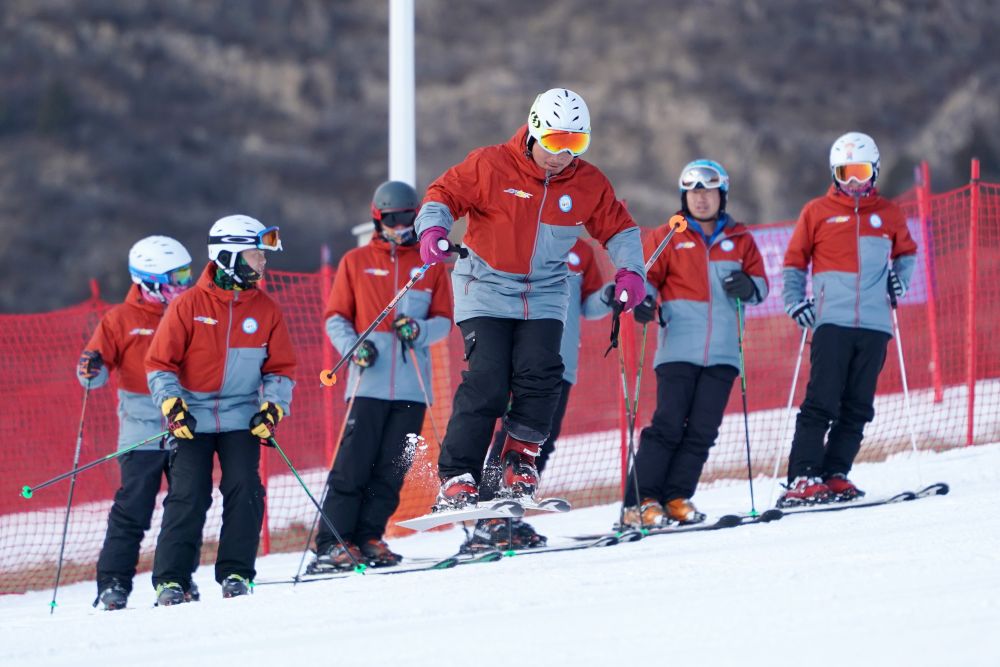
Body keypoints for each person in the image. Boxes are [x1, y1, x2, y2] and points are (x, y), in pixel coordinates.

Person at [414, 87, 646, 511]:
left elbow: (619, 229)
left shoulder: (588, 183)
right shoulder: (490, 164)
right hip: (485, 286)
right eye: (555, 141)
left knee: (541, 373)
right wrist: (432, 230)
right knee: (488, 378)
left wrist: (631, 270)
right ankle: (457, 476)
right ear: (535, 130)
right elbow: (442, 195)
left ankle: (518, 462)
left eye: (575, 144)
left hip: (545, 292)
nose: (562, 155)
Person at [145, 215, 295, 604]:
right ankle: (171, 581)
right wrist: (171, 404)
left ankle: (236, 573)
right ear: (228, 256)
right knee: (189, 494)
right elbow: (159, 363)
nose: (262, 261)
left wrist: (272, 408)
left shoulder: (266, 309)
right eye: (255, 254)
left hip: (241, 416)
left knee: (246, 488)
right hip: (191, 418)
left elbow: (280, 369)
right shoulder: (187, 305)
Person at [308, 181, 453, 572]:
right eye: (391, 219)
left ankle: (370, 536)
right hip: (367, 384)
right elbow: (336, 317)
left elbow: (443, 321)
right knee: (353, 465)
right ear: (377, 219)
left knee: (392, 468)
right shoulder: (355, 262)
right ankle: (334, 541)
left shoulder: (429, 265)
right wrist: (355, 347)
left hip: (412, 387)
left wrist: (418, 330)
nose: (399, 226)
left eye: (406, 218)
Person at [624, 159, 769, 526]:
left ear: (722, 196)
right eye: (693, 193)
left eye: (708, 193)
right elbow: (645, 280)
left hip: (723, 352)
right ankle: (640, 502)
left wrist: (748, 286)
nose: (701, 200)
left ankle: (676, 497)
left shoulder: (740, 239)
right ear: (683, 197)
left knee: (703, 431)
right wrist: (643, 302)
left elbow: (762, 287)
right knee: (668, 425)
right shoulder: (668, 235)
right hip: (678, 349)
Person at [779, 132, 917, 506]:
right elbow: (794, 262)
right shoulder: (817, 211)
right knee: (822, 400)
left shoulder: (888, 213)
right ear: (835, 174)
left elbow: (907, 253)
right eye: (845, 173)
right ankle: (803, 475)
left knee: (858, 405)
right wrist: (794, 302)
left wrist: (900, 282)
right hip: (832, 320)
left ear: (874, 171)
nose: (853, 181)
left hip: (875, 324)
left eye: (860, 171)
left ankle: (834, 473)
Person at [79, 236, 199, 610]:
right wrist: (90, 367)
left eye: (186, 275)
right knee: (133, 508)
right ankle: (113, 583)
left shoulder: (191, 311)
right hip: (141, 429)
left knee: (187, 506)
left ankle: (177, 578)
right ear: (150, 282)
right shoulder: (120, 320)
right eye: (176, 278)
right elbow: (93, 374)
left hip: (184, 425)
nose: (185, 284)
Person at [469, 238, 612, 550]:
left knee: (540, 440)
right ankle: (489, 518)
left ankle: (512, 513)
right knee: (511, 437)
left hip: (561, 363)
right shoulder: (522, 237)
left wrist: (609, 295)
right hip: (526, 361)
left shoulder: (582, 250)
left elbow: (589, 306)